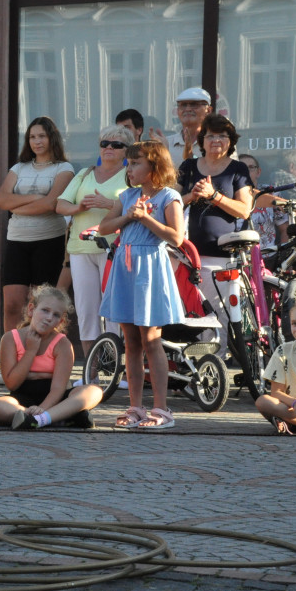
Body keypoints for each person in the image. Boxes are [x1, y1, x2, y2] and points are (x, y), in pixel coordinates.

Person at [99, 141, 186, 429]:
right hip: (126, 269)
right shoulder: (126, 196)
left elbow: (176, 237)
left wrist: (146, 217)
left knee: (151, 340)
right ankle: (135, 407)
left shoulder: (169, 196)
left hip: (150, 268)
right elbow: (104, 227)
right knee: (131, 342)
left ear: (154, 167)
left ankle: (161, 409)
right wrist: (128, 216)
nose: (129, 168)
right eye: (129, 163)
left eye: (136, 163)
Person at [54, 125, 133, 358]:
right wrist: (79, 207)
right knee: (86, 310)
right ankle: (93, 371)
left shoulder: (131, 176)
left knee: (114, 310)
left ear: (126, 150)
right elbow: (60, 205)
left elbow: (139, 209)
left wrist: (108, 204)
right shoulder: (85, 173)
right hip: (81, 248)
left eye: (116, 144)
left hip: (115, 249)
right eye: (104, 143)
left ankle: (118, 368)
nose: (109, 148)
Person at [178, 114, 253, 354]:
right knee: (191, 312)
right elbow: (171, 201)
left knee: (219, 313)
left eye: (223, 136)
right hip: (189, 255)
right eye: (211, 135)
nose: (217, 140)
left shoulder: (238, 169)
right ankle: (192, 365)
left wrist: (214, 196)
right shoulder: (189, 166)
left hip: (223, 256)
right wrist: (193, 196)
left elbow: (244, 210)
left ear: (231, 141)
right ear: (202, 140)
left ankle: (213, 368)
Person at [0, 116, 75, 334]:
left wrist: (17, 205)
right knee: (12, 305)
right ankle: (10, 357)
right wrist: (36, 197)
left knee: (44, 307)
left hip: (49, 241)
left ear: (52, 138)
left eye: (42, 136)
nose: (36, 141)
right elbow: (1, 201)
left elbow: (51, 204)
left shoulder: (64, 168)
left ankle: (43, 356)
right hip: (17, 240)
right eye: (32, 137)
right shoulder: (19, 168)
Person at [0, 285, 100, 429]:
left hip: (55, 399)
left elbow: (58, 388)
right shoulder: (10, 338)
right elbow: (12, 384)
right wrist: (30, 351)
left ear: (60, 322)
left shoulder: (63, 344)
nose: (49, 318)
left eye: (56, 315)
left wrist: (42, 409)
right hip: (21, 399)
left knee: (93, 391)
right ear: (31, 309)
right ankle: (53, 417)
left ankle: (40, 419)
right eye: (45, 310)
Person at [255, 296, 296, 434]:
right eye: (294, 323)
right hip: (292, 409)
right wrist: (295, 403)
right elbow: (276, 392)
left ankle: (289, 423)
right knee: (263, 401)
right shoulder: (283, 351)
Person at [241, 153, 288, 269]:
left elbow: (285, 230)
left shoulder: (271, 194)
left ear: (258, 172)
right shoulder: (227, 196)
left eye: (251, 167)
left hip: (268, 260)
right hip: (238, 259)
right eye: (241, 167)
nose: (246, 171)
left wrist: (284, 259)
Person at [150, 87, 213, 166]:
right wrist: (163, 151)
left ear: (209, 110)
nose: (188, 109)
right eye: (183, 105)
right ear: (177, 110)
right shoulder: (167, 143)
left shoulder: (215, 143)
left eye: (194, 105)